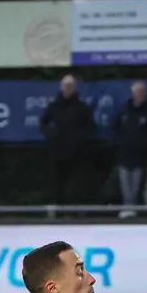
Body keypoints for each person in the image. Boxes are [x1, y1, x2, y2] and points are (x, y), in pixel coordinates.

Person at [40, 75, 96, 205]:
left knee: (78, 182)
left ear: (75, 88)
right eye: (66, 86)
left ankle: (77, 209)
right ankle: (58, 208)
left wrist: (80, 137)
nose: (68, 88)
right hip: (57, 151)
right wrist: (51, 135)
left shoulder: (82, 107)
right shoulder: (54, 106)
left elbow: (91, 126)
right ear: (61, 87)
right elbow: (43, 123)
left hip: (77, 152)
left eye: (71, 86)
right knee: (58, 181)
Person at [113, 81, 147, 218]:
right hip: (124, 154)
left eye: (143, 92)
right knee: (124, 183)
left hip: (141, 155)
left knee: (136, 183)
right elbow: (115, 128)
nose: (140, 94)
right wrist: (120, 142)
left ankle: (133, 207)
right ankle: (127, 206)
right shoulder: (125, 109)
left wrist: (144, 144)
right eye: (138, 92)